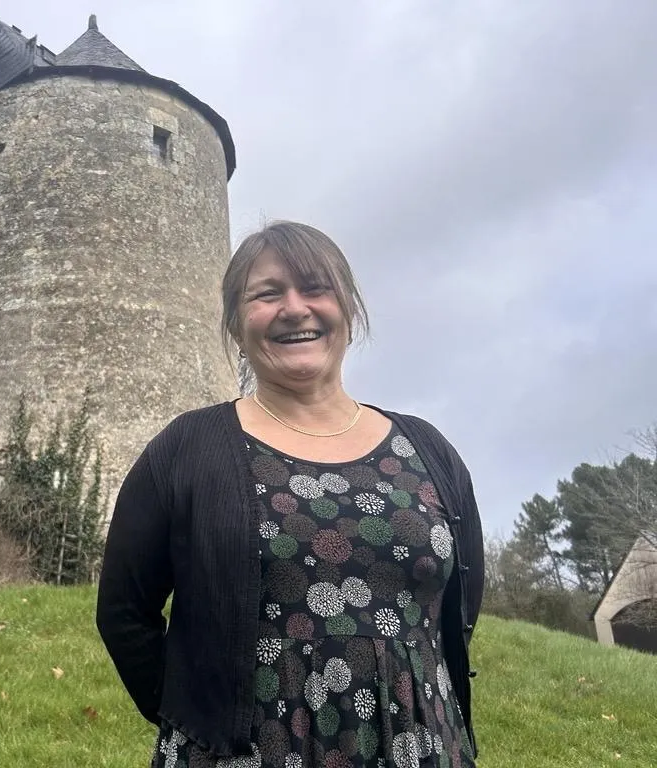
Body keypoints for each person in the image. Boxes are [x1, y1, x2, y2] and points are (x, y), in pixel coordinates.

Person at [96, 221, 484, 768]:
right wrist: (193, 717)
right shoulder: (187, 448)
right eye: (267, 293)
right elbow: (124, 611)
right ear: (237, 323)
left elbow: (459, 606)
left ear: (348, 309)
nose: (295, 308)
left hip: (418, 746)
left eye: (315, 288)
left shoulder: (427, 449)